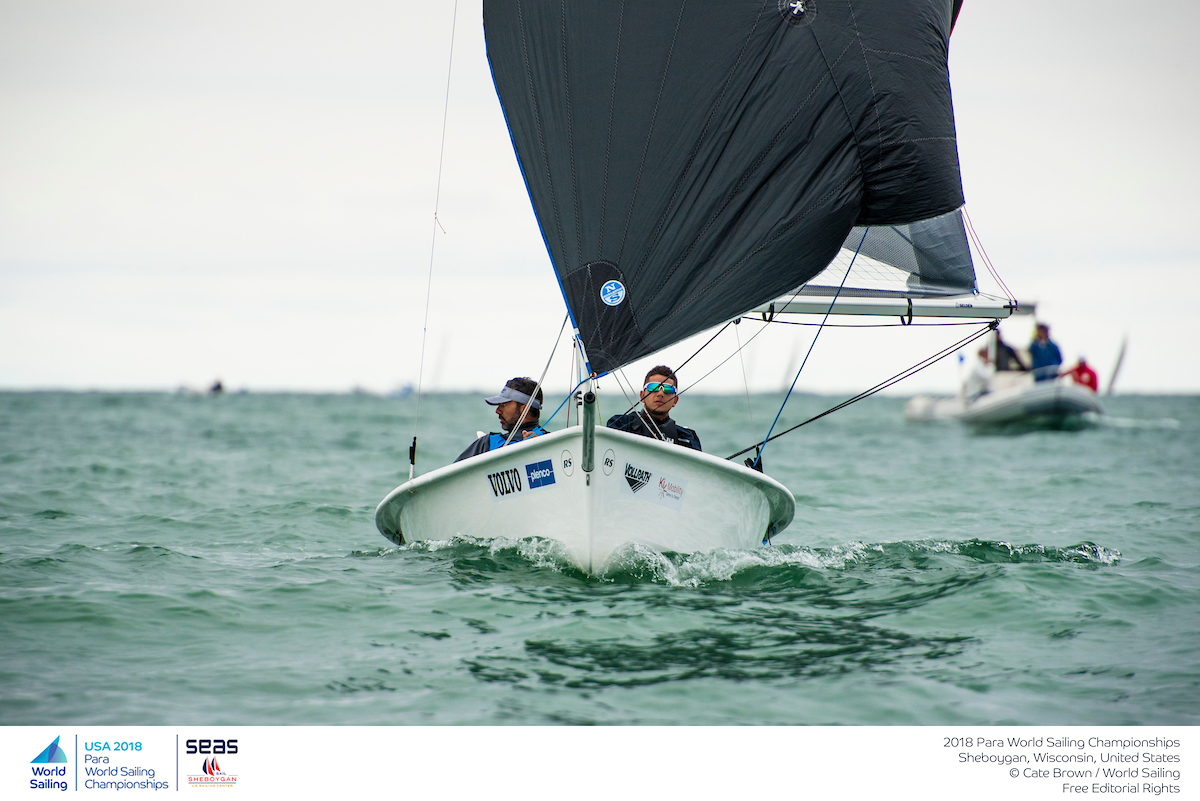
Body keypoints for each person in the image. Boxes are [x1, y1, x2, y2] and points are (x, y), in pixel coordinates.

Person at [605, 365, 701, 450]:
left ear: (675, 401)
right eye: (653, 387)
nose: (660, 393)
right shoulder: (620, 424)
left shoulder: (687, 437)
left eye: (668, 389)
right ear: (642, 396)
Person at [455, 377, 548, 462]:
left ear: (524, 409)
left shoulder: (548, 442)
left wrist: (538, 451)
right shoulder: (487, 443)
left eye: (504, 405)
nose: (497, 411)